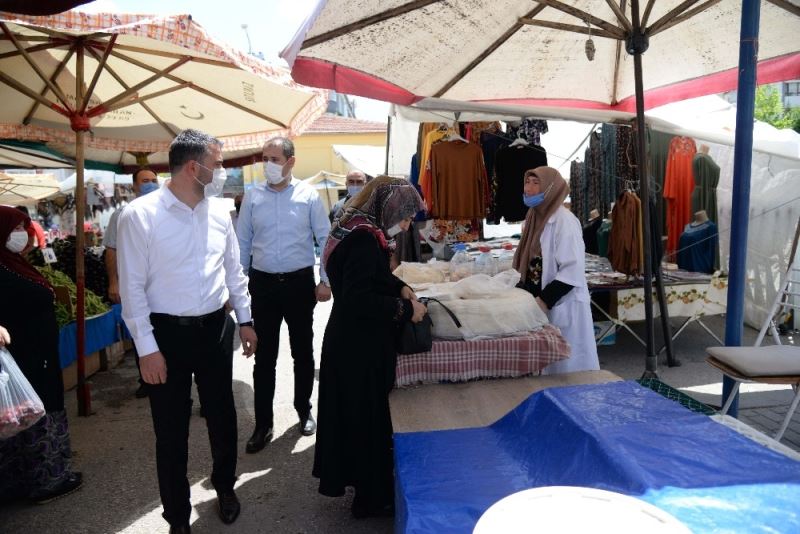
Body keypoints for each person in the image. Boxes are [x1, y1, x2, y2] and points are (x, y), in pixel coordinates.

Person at [117, 129, 257, 534]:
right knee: (171, 431)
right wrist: (147, 349)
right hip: (165, 336)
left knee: (223, 417)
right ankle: (177, 517)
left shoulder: (218, 212)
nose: (222, 170)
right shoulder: (140, 216)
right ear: (194, 167)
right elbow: (132, 290)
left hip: (215, 328)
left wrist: (245, 320)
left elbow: (233, 271)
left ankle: (225, 487)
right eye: (218, 163)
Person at [313, 176, 427, 518]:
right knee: (365, 421)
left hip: (351, 342)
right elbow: (358, 299)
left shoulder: (358, 228)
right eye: (404, 217)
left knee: (360, 418)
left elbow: (368, 277)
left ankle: (369, 492)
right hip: (358, 347)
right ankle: (370, 499)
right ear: (388, 207)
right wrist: (406, 309)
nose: (406, 225)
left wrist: (399, 286)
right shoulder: (363, 239)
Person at [237, 136, 331, 453]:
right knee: (264, 357)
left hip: (299, 284)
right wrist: (239, 287)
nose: (268, 164)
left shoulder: (309, 196)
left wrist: (325, 280)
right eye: (265, 158)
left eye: (274, 159)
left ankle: (304, 411)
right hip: (262, 285)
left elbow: (325, 239)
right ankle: (263, 424)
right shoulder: (252, 197)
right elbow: (242, 244)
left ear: (291, 162)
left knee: (302, 353)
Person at [0, 206, 83, 504]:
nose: (21, 234)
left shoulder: (13, 263)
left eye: (23, 227)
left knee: (36, 408)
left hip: (37, 354)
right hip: (22, 357)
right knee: (32, 411)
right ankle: (46, 480)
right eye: (14, 229)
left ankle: (35, 478)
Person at [513, 167, 599, 374]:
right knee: (545, 369)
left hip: (560, 304)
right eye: (527, 182)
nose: (529, 188)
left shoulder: (564, 221)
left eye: (536, 183)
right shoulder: (533, 218)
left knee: (568, 373)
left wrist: (544, 300)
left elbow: (572, 270)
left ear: (551, 188)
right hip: (539, 305)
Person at [104, 167, 160, 399]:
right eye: (145, 181)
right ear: (135, 186)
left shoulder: (166, 210)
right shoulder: (123, 214)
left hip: (160, 287)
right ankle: (146, 378)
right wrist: (114, 282)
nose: (150, 184)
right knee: (141, 331)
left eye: (154, 180)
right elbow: (111, 250)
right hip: (136, 285)